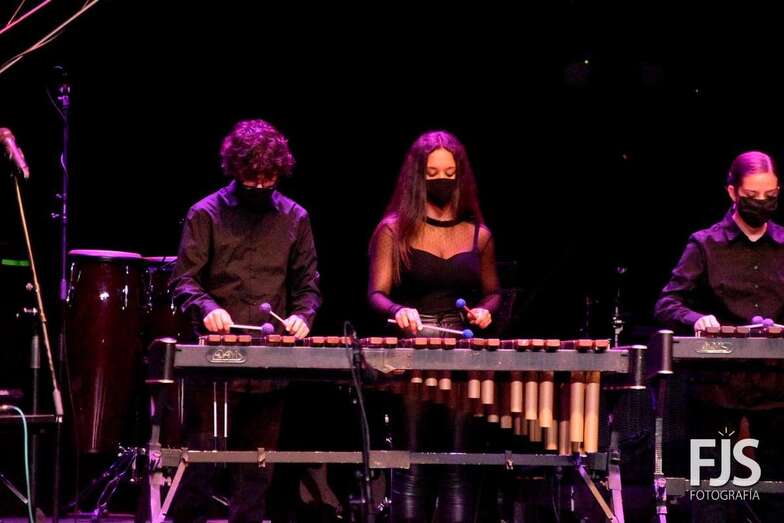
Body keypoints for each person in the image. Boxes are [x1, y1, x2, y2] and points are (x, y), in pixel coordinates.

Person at [169, 118, 321, 522]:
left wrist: (303, 316)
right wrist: (208, 308)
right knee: (198, 469)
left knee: (256, 472)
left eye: (268, 179)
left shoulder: (295, 218)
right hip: (215, 365)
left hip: (270, 364)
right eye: (251, 178)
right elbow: (183, 281)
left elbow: (308, 286)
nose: (259, 185)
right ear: (235, 170)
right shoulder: (205, 214)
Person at [368, 130, 501, 522]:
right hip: (412, 354)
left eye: (449, 172)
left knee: (460, 464)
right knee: (412, 463)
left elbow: (493, 292)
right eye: (433, 172)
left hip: (463, 353)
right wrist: (398, 310)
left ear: (459, 175)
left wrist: (485, 311)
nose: (442, 179)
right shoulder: (394, 230)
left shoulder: (479, 235)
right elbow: (376, 293)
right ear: (417, 177)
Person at [655, 151, 784, 522]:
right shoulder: (704, 244)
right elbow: (667, 303)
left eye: (770, 195)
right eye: (753, 196)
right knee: (714, 492)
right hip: (717, 390)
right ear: (732, 192)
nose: (762, 203)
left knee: (775, 495)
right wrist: (697, 319)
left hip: (776, 391)